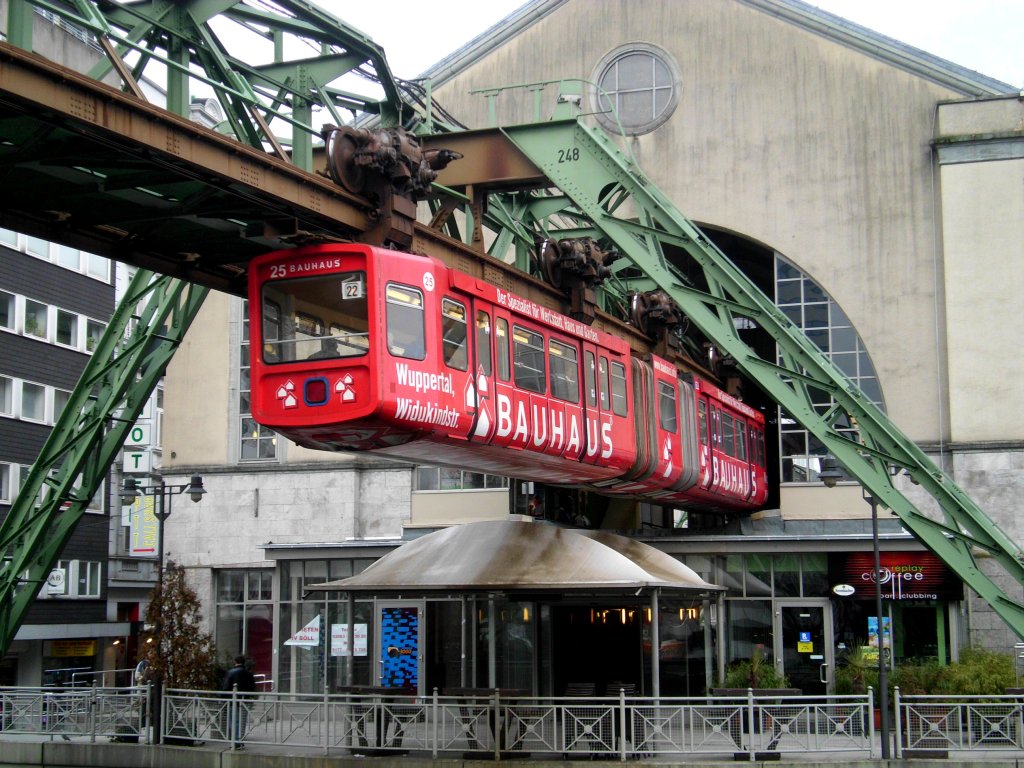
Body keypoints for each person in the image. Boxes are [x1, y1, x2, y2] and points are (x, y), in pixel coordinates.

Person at [221, 655, 256, 749]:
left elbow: (225, 687)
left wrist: (222, 697)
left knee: (233, 722)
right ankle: (239, 740)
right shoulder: (249, 673)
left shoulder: (230, 672)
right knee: (242, 722)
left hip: (233, 701)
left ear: (235, 662)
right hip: (244, 701)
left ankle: (236, 741)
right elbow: (252, 687)